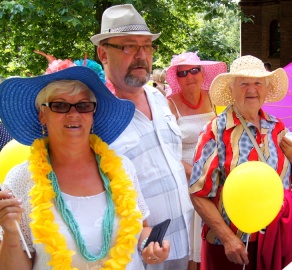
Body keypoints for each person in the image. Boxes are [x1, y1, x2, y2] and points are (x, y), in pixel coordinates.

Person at [0, 66, 170, 269]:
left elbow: (141, 229)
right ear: (42, 115)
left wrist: (149, 246)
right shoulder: (21, 179)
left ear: (92, 114)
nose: (73, 114)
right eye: (60, 105)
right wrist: (10, 234)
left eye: (83, 105)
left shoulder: (121, 168)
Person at [91, 4, 193, 269]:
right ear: (103, 53)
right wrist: (139, 238)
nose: (141, 56)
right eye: (128, 46)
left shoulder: (159, 98)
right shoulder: (94, 116)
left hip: (186, 241)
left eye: (147, 46)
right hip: (139, 255)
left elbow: (169, 161)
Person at [189, 55, 292, 270]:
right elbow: (198, 194)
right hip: (230, 248)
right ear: (232, 90)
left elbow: (288, 185)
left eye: (258, 83)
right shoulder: (215, 131)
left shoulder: (278, 127)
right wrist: (228, 239)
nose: (251, 89)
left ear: (266, 88)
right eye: (243, 83)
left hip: (275, 240)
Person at [165, 51, 226, 269]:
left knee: (214, 230)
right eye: (182, 73)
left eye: (194, 70)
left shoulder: (213, 97)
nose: (189, 76)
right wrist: (195, 174)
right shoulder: (168, 104)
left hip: (216, 173)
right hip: (185, 176)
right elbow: (166, 150)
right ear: (176, 78)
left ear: (202, 73)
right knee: (193, 230)